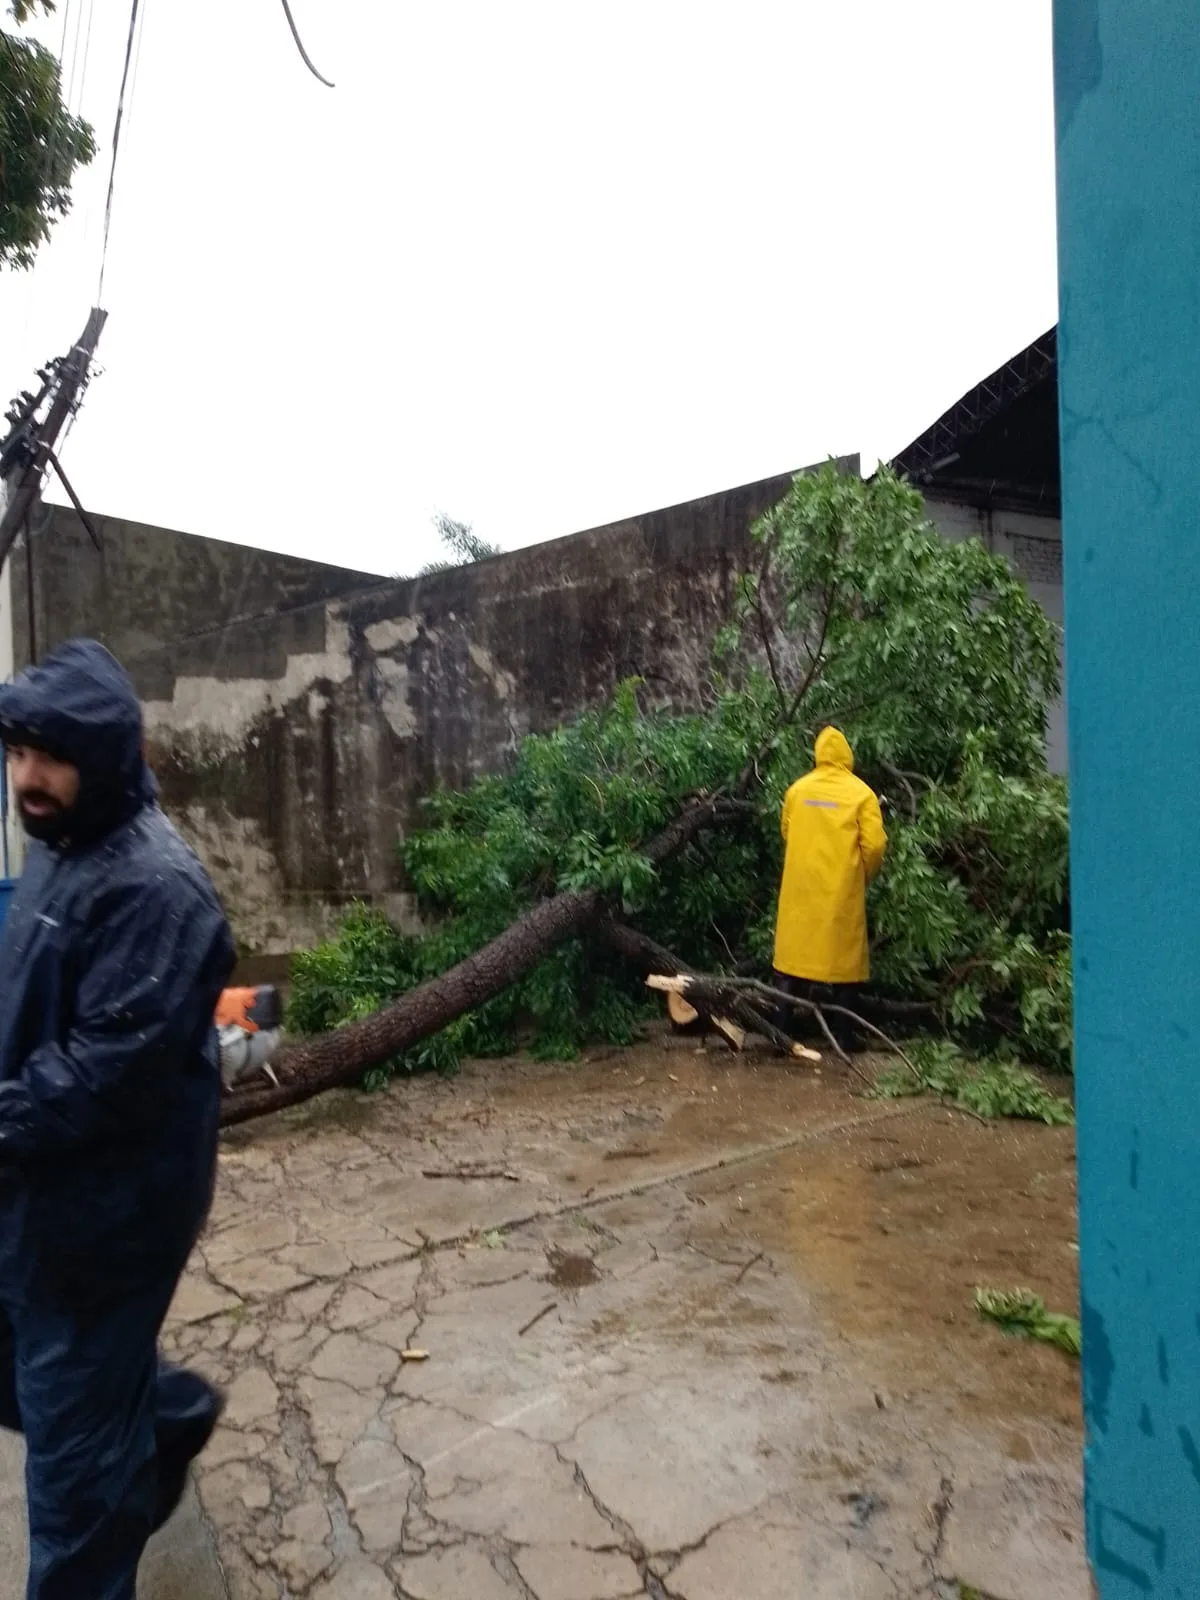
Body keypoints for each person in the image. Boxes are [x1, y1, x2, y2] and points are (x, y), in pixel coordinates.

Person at [0, 638, 236, 1599]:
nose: (27, 776)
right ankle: (161, 1420)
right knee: (35, 1377)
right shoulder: (59, 841)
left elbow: (100, 1076)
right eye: (17, 752)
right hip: (35, 1188)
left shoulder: (158, 890)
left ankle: (117, 1457)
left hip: (104, 1226)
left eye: (49, 757)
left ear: (102, 758)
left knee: (74, 1503)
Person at [772, 726, 887, 1051]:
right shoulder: (862, 795)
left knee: (792, 962)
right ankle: (843, 1037)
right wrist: (862, 874)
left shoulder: (797, 790)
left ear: (818, 754)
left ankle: (780, 1034)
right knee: (844, 965)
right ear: (847, 755)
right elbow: (875, 845)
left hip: (799, 890)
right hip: (841, 891)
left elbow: (786, 831)